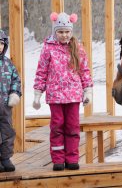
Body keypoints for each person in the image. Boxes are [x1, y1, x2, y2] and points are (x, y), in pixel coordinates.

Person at [33, 12, 93, 171]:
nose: (64, 35)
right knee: (57, 126)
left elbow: (84, 71)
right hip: (55, 96)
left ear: (71, 31)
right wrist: (38, 93)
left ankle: (72, 158)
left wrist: (88, 91)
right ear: (55, 31)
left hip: (73, 95)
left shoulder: (78, 48)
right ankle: (58, 159)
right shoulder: (48, 48)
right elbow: (41, 71)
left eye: (67, 31)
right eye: (60, 31)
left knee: (73, 127)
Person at [0, 30, 21, 172]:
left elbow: (16, 80)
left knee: (7, 131)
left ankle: (6, 158)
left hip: (5, 105)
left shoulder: (8, 64)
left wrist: (14, 93)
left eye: (1, 43)